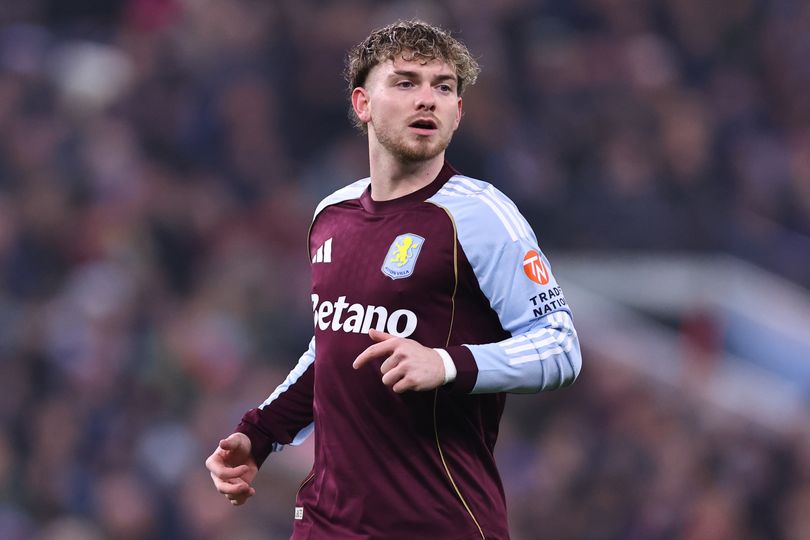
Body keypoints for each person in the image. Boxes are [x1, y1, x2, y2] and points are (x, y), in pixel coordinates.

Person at [205, 19, 582, 540]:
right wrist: (261, 433)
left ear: (458, 112)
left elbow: (560, 348)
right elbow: (333, 346)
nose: (427, 98)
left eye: (443, 87)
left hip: (439, 523)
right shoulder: (331, 215)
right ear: (362, 104)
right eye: (406, 82)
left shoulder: (481, 216)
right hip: (327, 523)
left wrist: (445, 363)